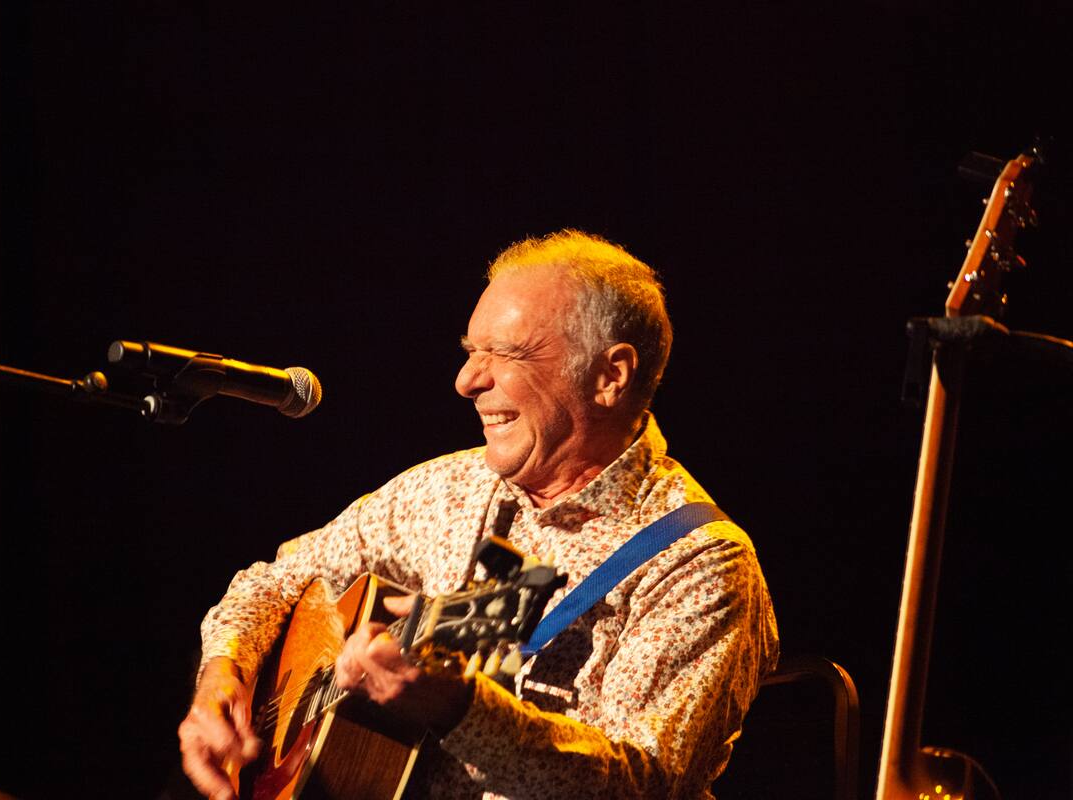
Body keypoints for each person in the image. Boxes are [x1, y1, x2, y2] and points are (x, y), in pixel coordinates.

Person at [177, 230, 779, 799]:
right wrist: (225, 670)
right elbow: (277, 578)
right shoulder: (451, 487)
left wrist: (457, 709)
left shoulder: (699, 562)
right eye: (471, 351)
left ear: (609, 376)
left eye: (507, 352)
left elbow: (643, 785)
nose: (467, 380)